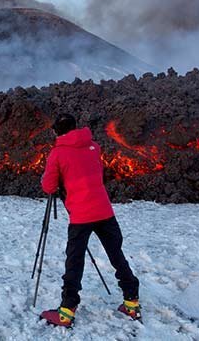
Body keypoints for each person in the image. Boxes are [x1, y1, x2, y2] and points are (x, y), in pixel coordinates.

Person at [39, 113, 141, 327]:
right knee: (116, 255)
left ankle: (66, 311)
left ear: (57, 131)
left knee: (74, 261)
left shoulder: (57, 154)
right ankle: (132, 303)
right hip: (104, 210)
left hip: (81, 214)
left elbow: (48, 186)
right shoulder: (94, 146)